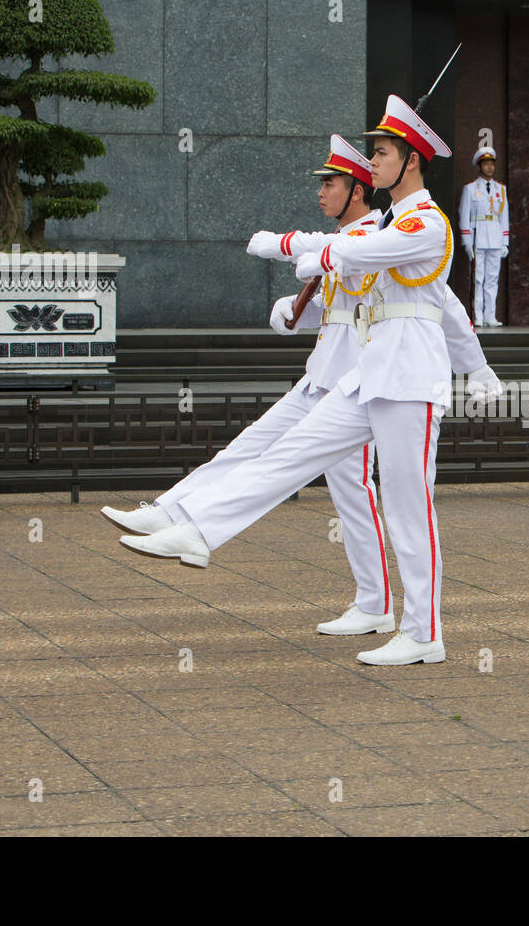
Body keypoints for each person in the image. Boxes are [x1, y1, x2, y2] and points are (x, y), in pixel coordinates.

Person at [119, 97, 483, 665]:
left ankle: (424, 633)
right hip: (369, 377)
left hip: (411, 380)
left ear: (411, 161)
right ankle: (200, 530)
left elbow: (361, 250)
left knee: (407, 508)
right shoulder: (390, 221)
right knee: (287, 454)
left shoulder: (426, 224)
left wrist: (293, 248)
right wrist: (302, 251)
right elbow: (352, 245)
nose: (376, 163)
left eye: (383, 154)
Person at [457, 145, 509, 327]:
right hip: (477, 237)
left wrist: (505, 241)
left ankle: (490, 315)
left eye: (491, 164)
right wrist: (466, 243)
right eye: (486, 164)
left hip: (494, 237)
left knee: (492, 278)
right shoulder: (471, 188)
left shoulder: (500, 189)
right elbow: (464, 215)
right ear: (479, 166)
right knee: (478, 278)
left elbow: (504, 216)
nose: (489, 167)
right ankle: (477, 315)